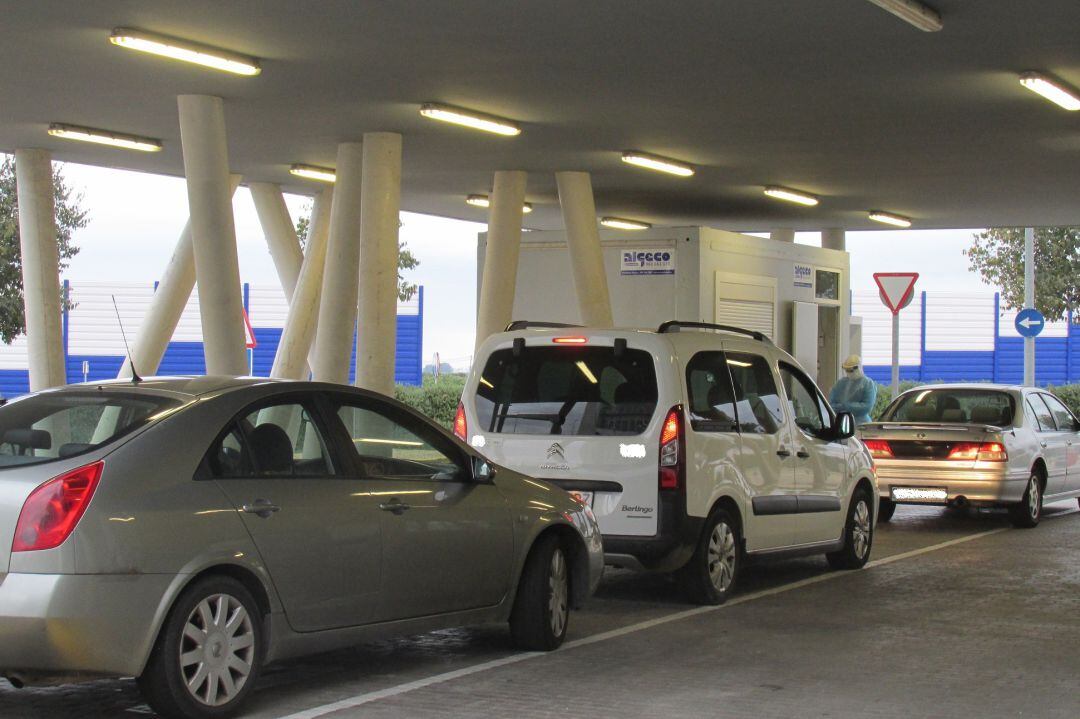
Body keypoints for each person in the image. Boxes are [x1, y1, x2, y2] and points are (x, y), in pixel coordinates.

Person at [829, 355, 877, 425]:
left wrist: (845, 407)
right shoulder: (841, 383)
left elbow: (867, 407)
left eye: (851, 371)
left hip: (861, 425)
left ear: (859, 368)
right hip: (842, 423)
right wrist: (844, 407)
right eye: (847, 371)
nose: (849, 373)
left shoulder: (868, 384)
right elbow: (831, 404)